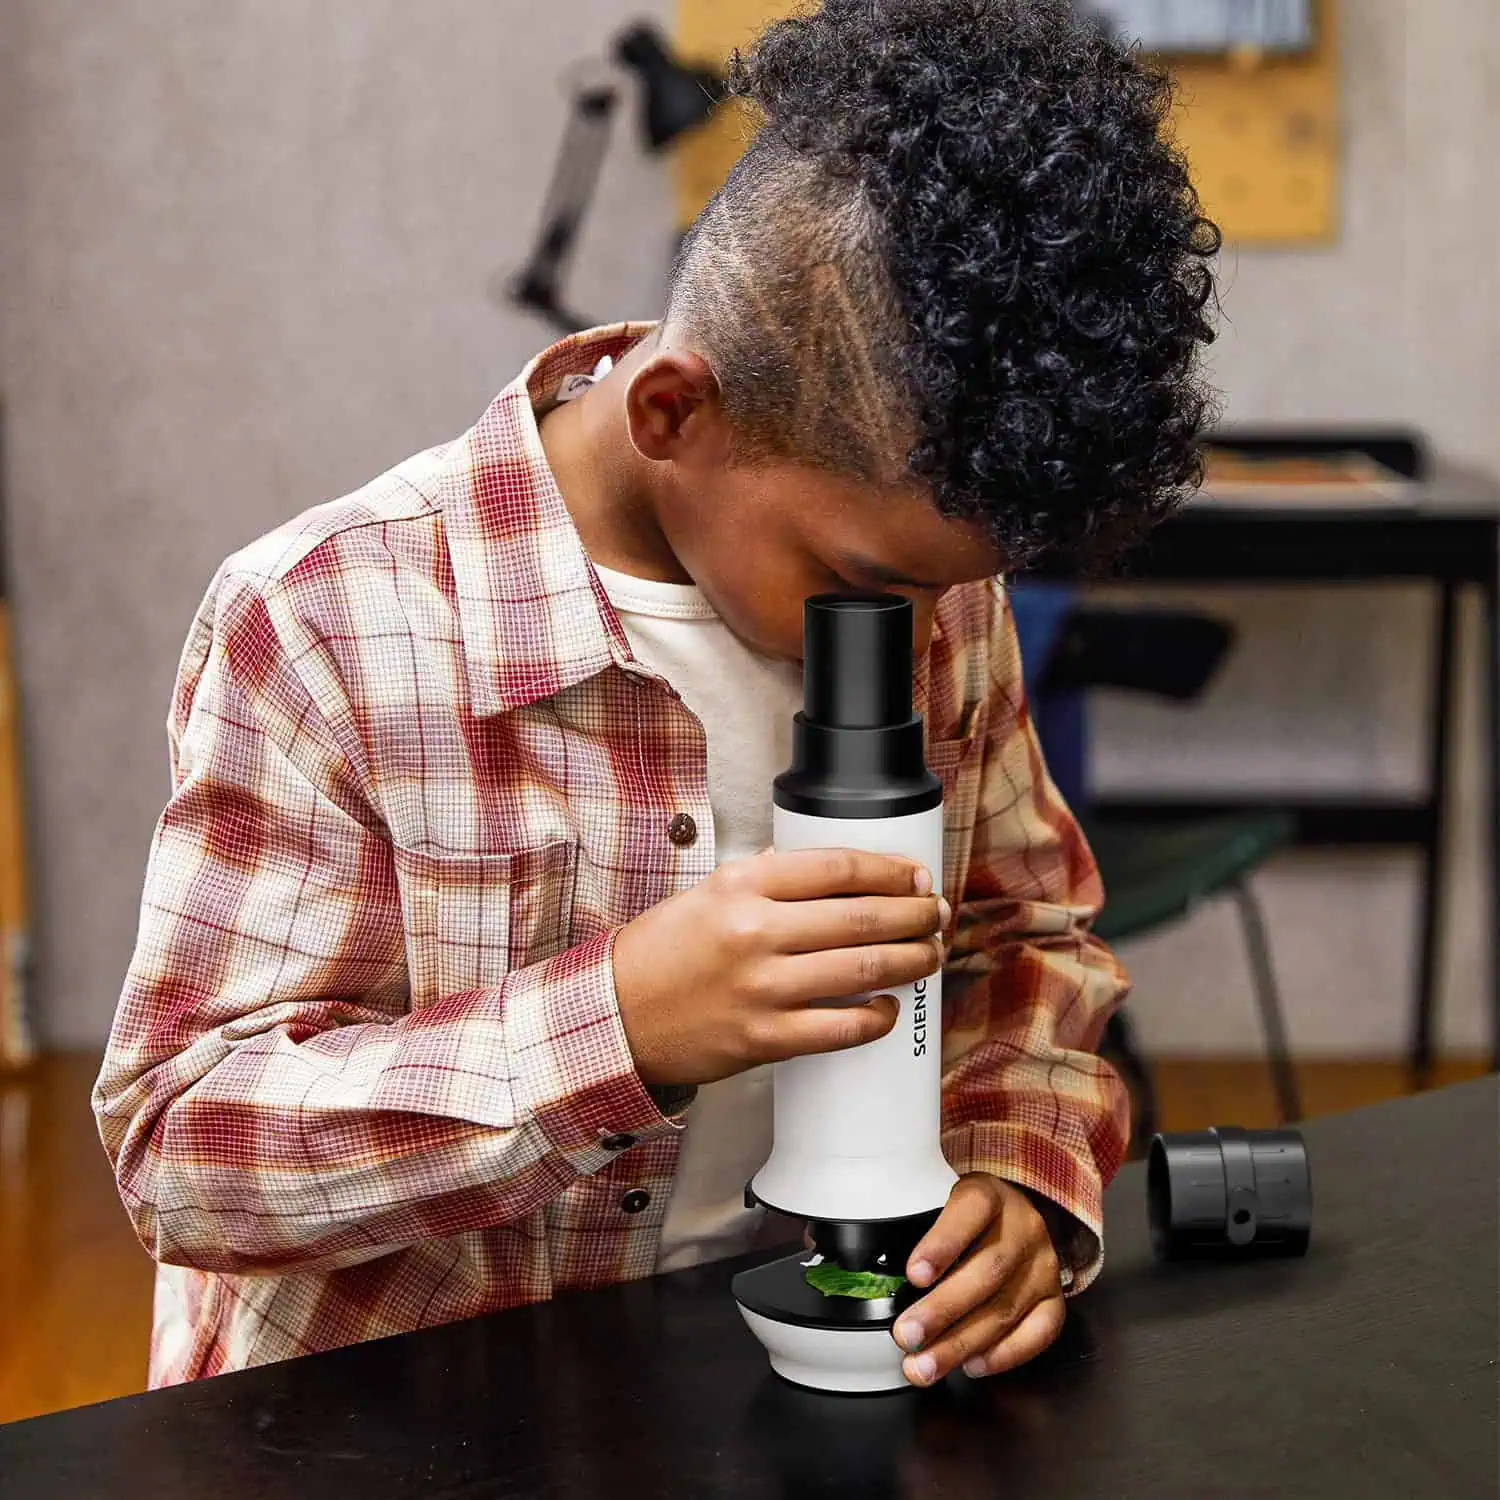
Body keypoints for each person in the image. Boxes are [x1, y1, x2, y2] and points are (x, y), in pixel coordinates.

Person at [94, 0, 1218, 1391]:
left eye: (951, 588)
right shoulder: (326, 622)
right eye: (868, 580)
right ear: (673, 413)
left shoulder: (932, 593)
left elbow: (1025, 939)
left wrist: (1016, 1167)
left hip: (762, 1382)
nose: (925, 635)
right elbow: (185, 1154)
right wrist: (617, 1027)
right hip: (393, 1416)